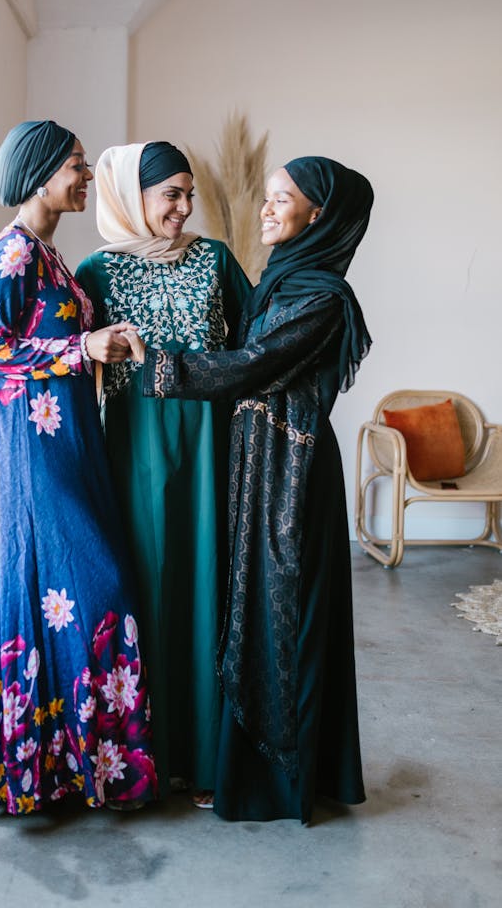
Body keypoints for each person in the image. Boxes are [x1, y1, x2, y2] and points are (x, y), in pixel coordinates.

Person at [137, 155, 373, 823]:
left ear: (318, 216)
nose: (266, 210)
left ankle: (280, 782)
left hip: (289, 479)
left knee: (282, 614)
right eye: (266, 198)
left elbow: (251, 366)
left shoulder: (322, 297)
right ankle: (251, 767)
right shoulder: (280, 281)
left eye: (281, 200)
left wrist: (153, 365)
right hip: (256, 465)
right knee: (251, 612)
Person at [0, 119, 157, 815]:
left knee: (69, 595)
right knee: (93, 585)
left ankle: (66, 774)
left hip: (69, 443)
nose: (84, 177)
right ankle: (73, 769)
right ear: (40, 172)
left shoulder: (49, 254)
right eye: (75, 165)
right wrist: (83, 349)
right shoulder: (15, 252)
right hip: (31, 448)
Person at [76, 142, 251, 805]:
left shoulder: (213, 260)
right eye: (168, 194)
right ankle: (142, 760)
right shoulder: (95, 273)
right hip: (133, 451)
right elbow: (67, 358)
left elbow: (255, 344)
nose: (182, 208)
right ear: (131, 196)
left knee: (207, 585)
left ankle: (208, 761)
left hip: (209, 446)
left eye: (187, 195)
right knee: (144, 589)